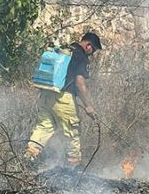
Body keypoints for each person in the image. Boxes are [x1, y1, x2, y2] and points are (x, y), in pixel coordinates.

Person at [24, 31, 102, 166]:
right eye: (93, 50)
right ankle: (74, 169)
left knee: (44, 127)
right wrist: (88, 106)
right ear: (88, 46)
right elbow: (80, 83)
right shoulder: (81, 56)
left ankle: (27, 159)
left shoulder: (65, 51)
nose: (92, 54)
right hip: (63, 98)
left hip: (46, 94)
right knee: (72, 133)